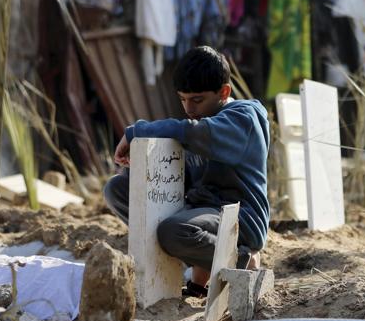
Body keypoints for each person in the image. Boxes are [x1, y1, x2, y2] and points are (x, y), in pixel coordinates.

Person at [103, 46, 270, 297]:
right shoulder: (200, 122)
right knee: (117, 189)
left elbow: (192, 132)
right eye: (183, 99)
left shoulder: (242, 118)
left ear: (224, 91)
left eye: (197, 99)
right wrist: (141, 172)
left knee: (173, 231)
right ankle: (197, 278)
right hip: (201, 212)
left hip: (240, 218)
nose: (189, 108)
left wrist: (134, 131)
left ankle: (244, 260)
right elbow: (182, 174)